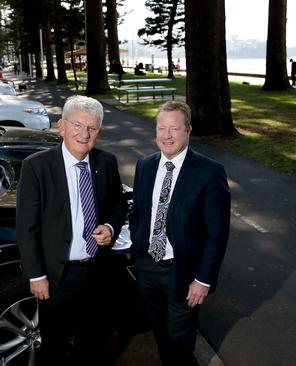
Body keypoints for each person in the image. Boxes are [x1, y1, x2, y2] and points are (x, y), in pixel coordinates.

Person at [16, 95, 127, 366]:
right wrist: (36, 275)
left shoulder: (106, 162)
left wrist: (111, 226)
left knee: (92, 344)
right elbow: (26, 226)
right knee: (54, 347)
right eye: (77, 125)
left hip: (97, 273)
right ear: (61, 126)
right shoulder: (37, 166)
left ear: (98, 133)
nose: (84, 133)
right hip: (57, 277)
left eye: (91, 128)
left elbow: (118, 204)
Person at [129, 101, 231, 366]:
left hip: (183, 273)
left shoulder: (209, 172)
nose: (167, 135)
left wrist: (203, 279)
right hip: (147, 267)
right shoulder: (145, 165)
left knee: (180, 342)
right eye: (161, 128)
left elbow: (216, 234)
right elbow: (138, 213)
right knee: (161, 335)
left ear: (188, 131)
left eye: (174, 128)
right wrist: (137, 254)